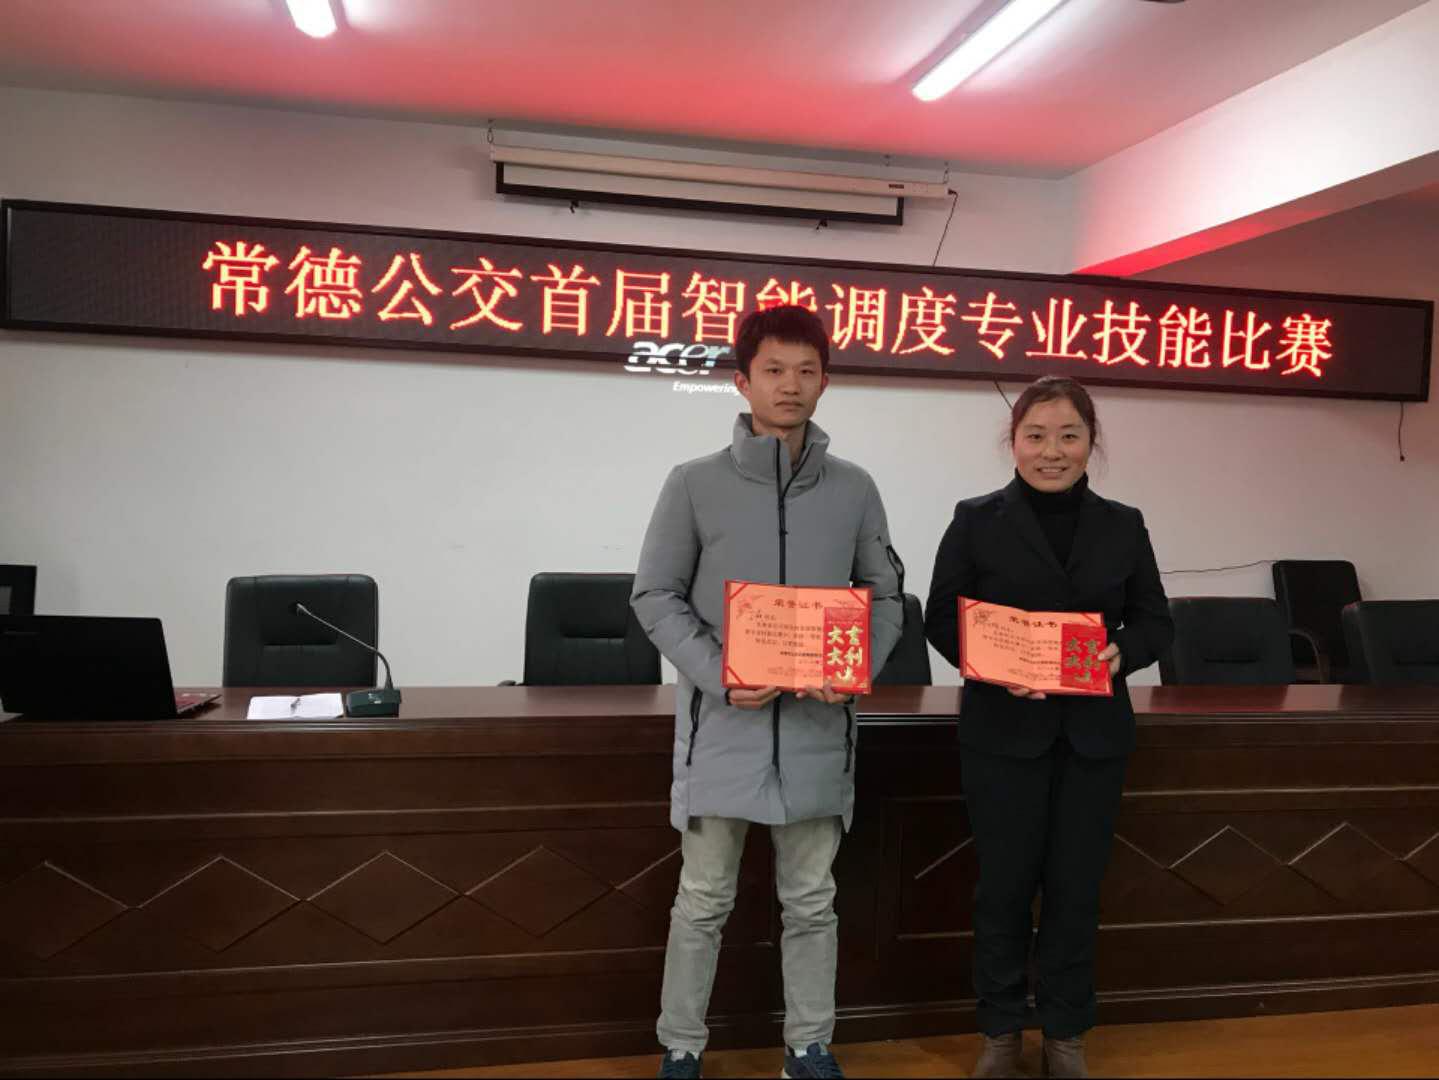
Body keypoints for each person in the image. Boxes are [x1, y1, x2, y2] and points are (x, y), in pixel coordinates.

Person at [632, 304, 904, 1080]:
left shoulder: (853, 489)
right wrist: (719, 671)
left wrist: (852, 665)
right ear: (742, 381)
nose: (790, 385)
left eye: (806, 371)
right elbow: (654, 595)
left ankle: (808, 1046)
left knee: (811, 901)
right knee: (702, 900)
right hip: (723, 730)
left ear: (825, 382)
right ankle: (681, 1046)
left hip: (817, 731)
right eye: (774, 370)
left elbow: (884, 595)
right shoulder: (694, 484)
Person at [923, 375, 1173, 1079]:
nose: (1051, 451)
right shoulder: (976, 519)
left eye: (1068, 435)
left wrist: (1122, 652)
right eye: (1035, 436)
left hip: (1093, 736)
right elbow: (940, 617)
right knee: (1002, 889)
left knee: (1075, 890)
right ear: (1014, 442)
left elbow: (1155, 620)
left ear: (1091, 442)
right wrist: (992, 663)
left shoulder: (1123, 524)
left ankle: (1065, 1033)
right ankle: (1000, 1030)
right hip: (1002, 733)